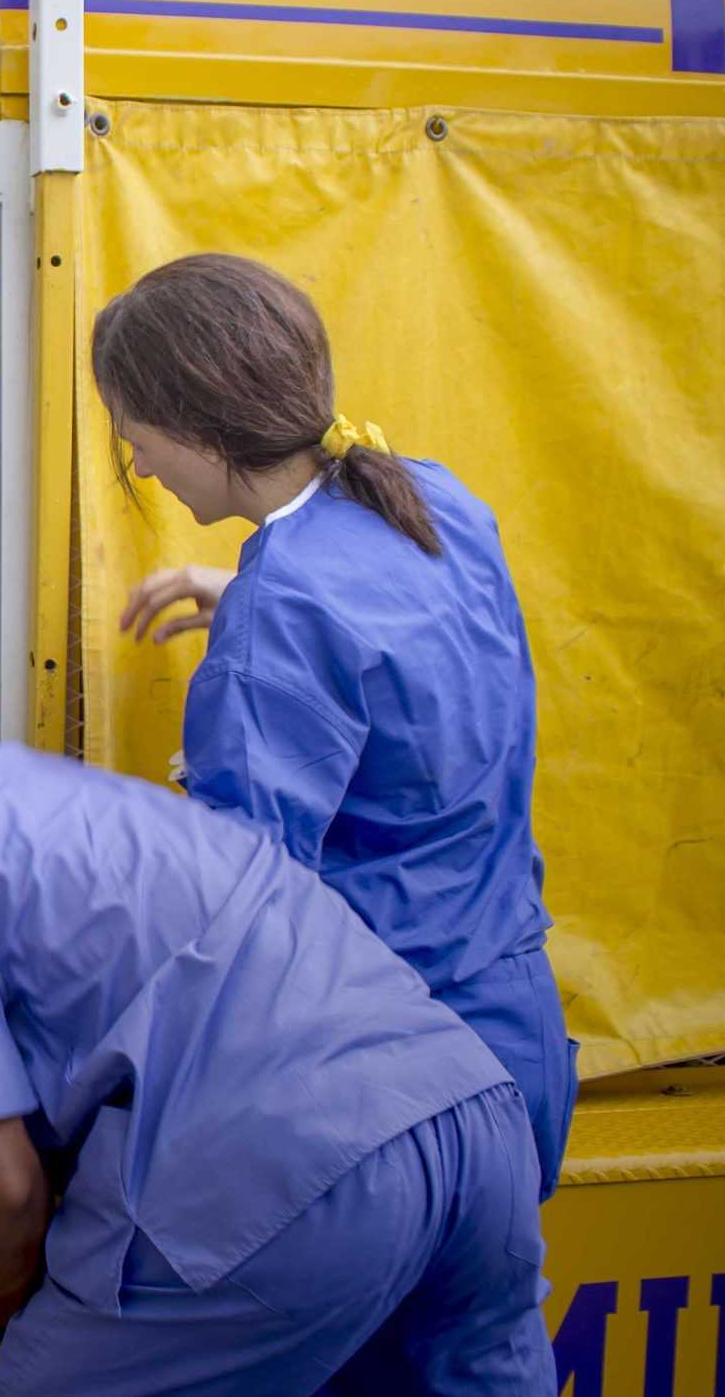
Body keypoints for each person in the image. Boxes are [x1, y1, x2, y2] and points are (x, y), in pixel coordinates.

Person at [0, 589, 554, 1397]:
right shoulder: (37, 788)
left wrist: (33, 1317)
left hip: (306, 1167)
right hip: (472, 1120)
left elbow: (2, 1183)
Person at [90, 253, 576, 1199]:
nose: (140, 462)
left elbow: (243, 919)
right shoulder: (433, 499)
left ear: (198, 426)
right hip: (517, 1041)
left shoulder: (282, 618)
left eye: (136, 435)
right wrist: (243, 597)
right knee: (484, 1344)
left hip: (390, 1084)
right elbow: (414, 648)